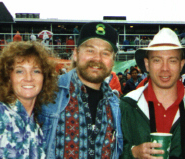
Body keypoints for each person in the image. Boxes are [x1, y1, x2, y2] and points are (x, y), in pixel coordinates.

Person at [37, 22, 123, 158]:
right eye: (90, 50)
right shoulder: (47, 92)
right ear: (76, 54)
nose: (97, 58)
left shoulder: (116, 105)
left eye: (105, 53)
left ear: (113, 61)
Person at [120, 28, 185, 159]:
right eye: (157, 60)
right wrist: (132, 153)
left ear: (181, 64)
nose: (165, 68)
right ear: (147, 64)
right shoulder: (126, 106)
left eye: (172, 60)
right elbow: (107, 151)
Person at [0, 41, 58, 158]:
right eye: (20, 71)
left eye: (36, 71)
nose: (29, 78)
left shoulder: (36, 128)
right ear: (8, 78)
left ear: (44, 78)